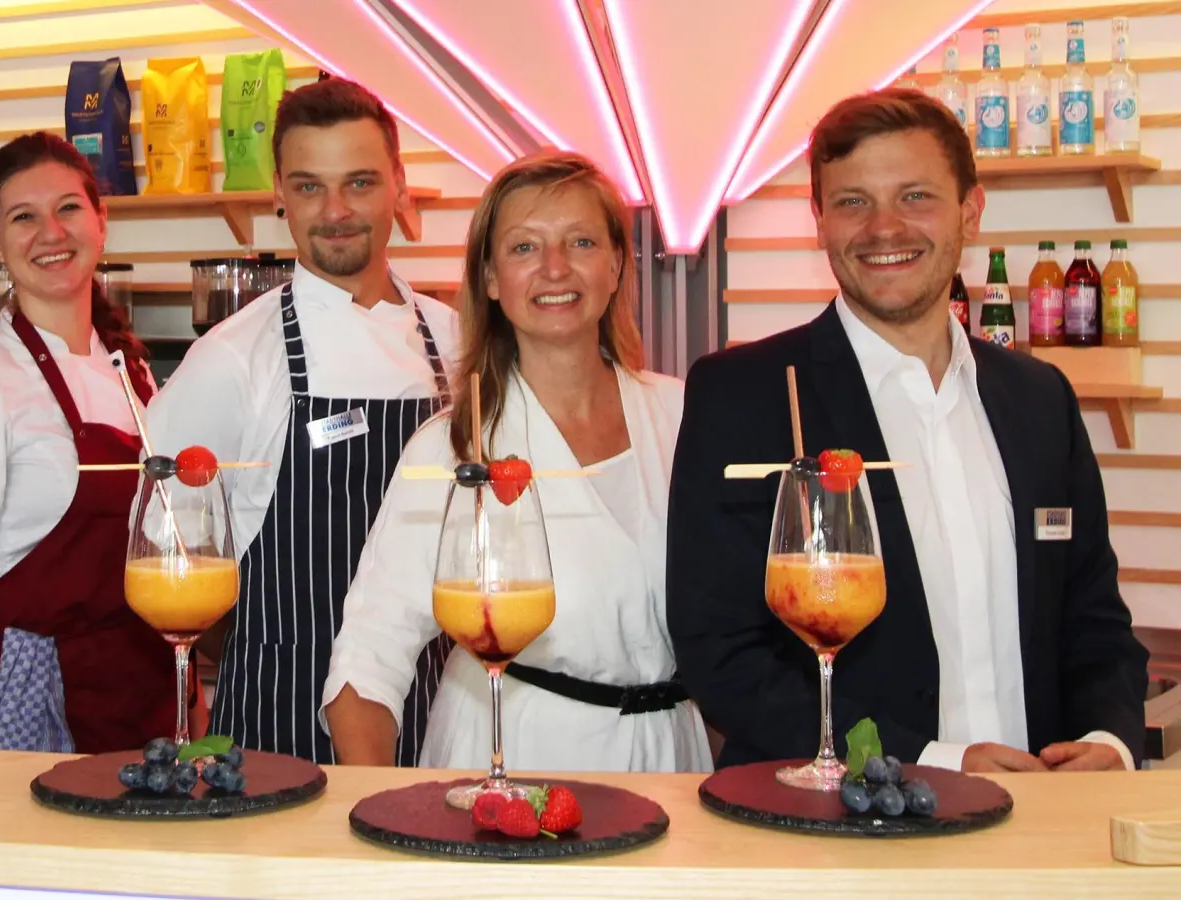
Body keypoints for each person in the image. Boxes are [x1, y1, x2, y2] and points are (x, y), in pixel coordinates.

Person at [666, 88, 1149, 773]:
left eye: (915, 196)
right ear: (820, 221)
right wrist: (928, 761)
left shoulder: (1040, 399)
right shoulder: (742, 395)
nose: (883, 228)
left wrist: (1108, 742)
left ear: (970, 212)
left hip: (1039, 830)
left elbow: (1093, 617)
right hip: (844, 837)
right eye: (853, 201)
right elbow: (723, 653)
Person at [322, 151, 712, 771]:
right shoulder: (452, 448)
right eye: (524, 248)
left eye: (580, 241)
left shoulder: (689, 416)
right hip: (505, 759)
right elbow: (371, 656)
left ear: (616, 265)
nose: (555, 268)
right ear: (492, 280)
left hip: (674, 760)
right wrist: (373, 805)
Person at [144, 78, 456, 765]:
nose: (336, 210)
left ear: (399, 186)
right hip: (279, 725)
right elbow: (167, 557)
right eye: (311, 187)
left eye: (361, 182)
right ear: (279, 192)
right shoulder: (230, 360)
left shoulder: (455, 345)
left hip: (443, 717)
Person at [0, 132, 194, 752]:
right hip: (32, 716)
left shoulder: (134, 374)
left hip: (142, 707)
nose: (50, 233)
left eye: (68, 208)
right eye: (23, 217)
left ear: (101, 220)